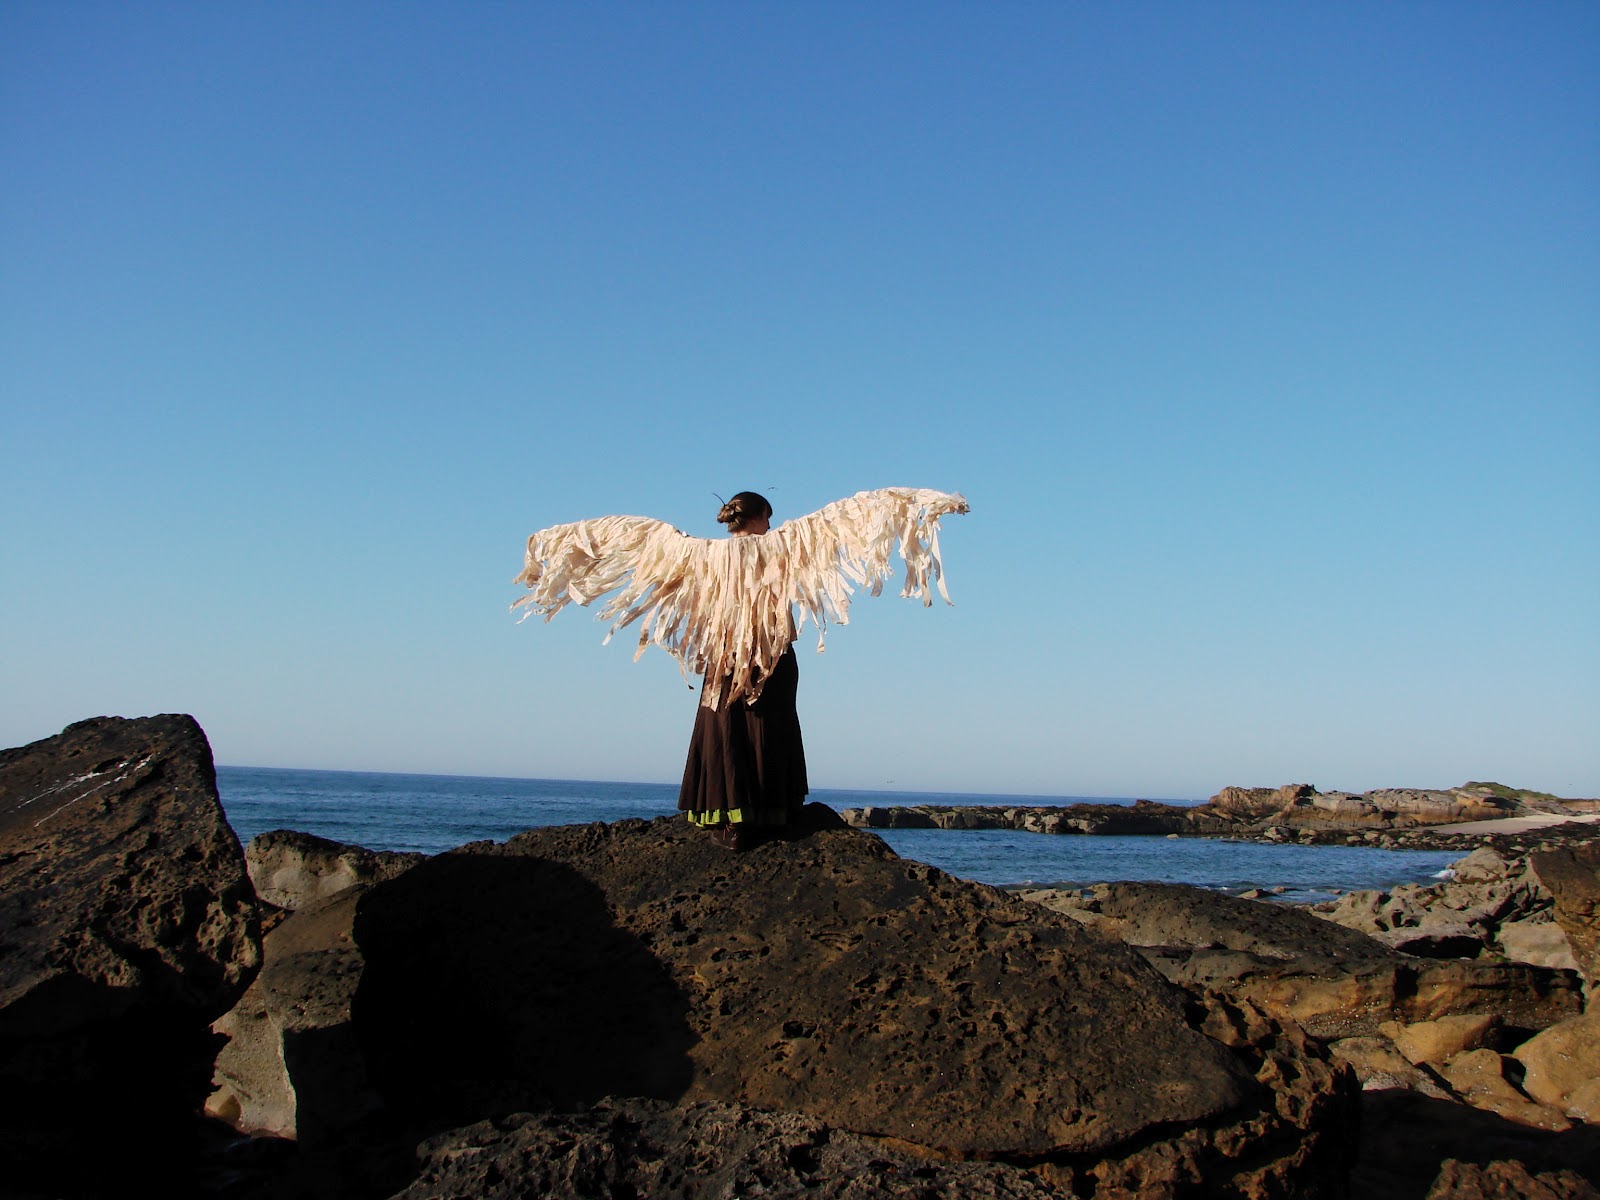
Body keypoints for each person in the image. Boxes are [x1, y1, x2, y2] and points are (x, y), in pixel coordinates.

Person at [676, 491, 808, 850]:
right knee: (770, 722)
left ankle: (730, 821)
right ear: (758, 516)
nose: (771, 525)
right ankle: (771, 811)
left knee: (724, 725)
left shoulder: (707, 553)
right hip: (770, 651)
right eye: (768, 518)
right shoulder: (776, 548)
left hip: (725, 651)